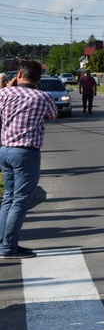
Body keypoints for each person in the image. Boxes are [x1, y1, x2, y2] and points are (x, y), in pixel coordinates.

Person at [0, 60, 58, 259]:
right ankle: (9, 247)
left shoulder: (3, 94)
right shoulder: (43, 97)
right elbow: (53, 115)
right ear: (39, 78)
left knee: (8, 197)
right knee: (21, 201)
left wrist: (9, 87)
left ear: (18, 74)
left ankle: (3, 242)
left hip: (5, 149)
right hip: (26, 152)